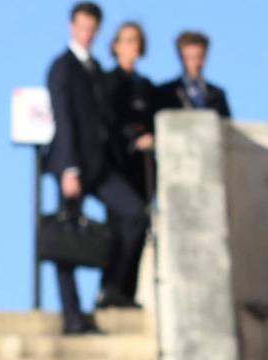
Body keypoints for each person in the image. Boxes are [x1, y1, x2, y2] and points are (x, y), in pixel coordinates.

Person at [45, 3, 147, 335]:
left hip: (101, 165)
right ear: (72, 27)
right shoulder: (62, 67)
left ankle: (111, 288)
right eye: (82, 27)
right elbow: (64, 119)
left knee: (135, 215)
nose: (86, 33)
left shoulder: (97, 70)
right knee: (66, 237)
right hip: (73, 166)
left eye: (92, 28)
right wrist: (69, 169)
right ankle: (72, 316)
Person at [102, 22, 162, 293]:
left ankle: (126, 290)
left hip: (144, 168)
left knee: (140, 225)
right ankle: (111, 286)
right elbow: (109, 123)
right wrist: (131, 140)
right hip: (118, 165)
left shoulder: (146, 86)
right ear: (116, 46)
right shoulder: (108, 82)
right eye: (126, 40)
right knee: (120, 225)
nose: (132, 46)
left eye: (136, 40)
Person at [162, 31, 231, 117]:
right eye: (190, 57)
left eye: (199, 57)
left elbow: (226, 125)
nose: (196, 62)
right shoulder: (165, 92)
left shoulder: (217, 94)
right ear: (181, 58)